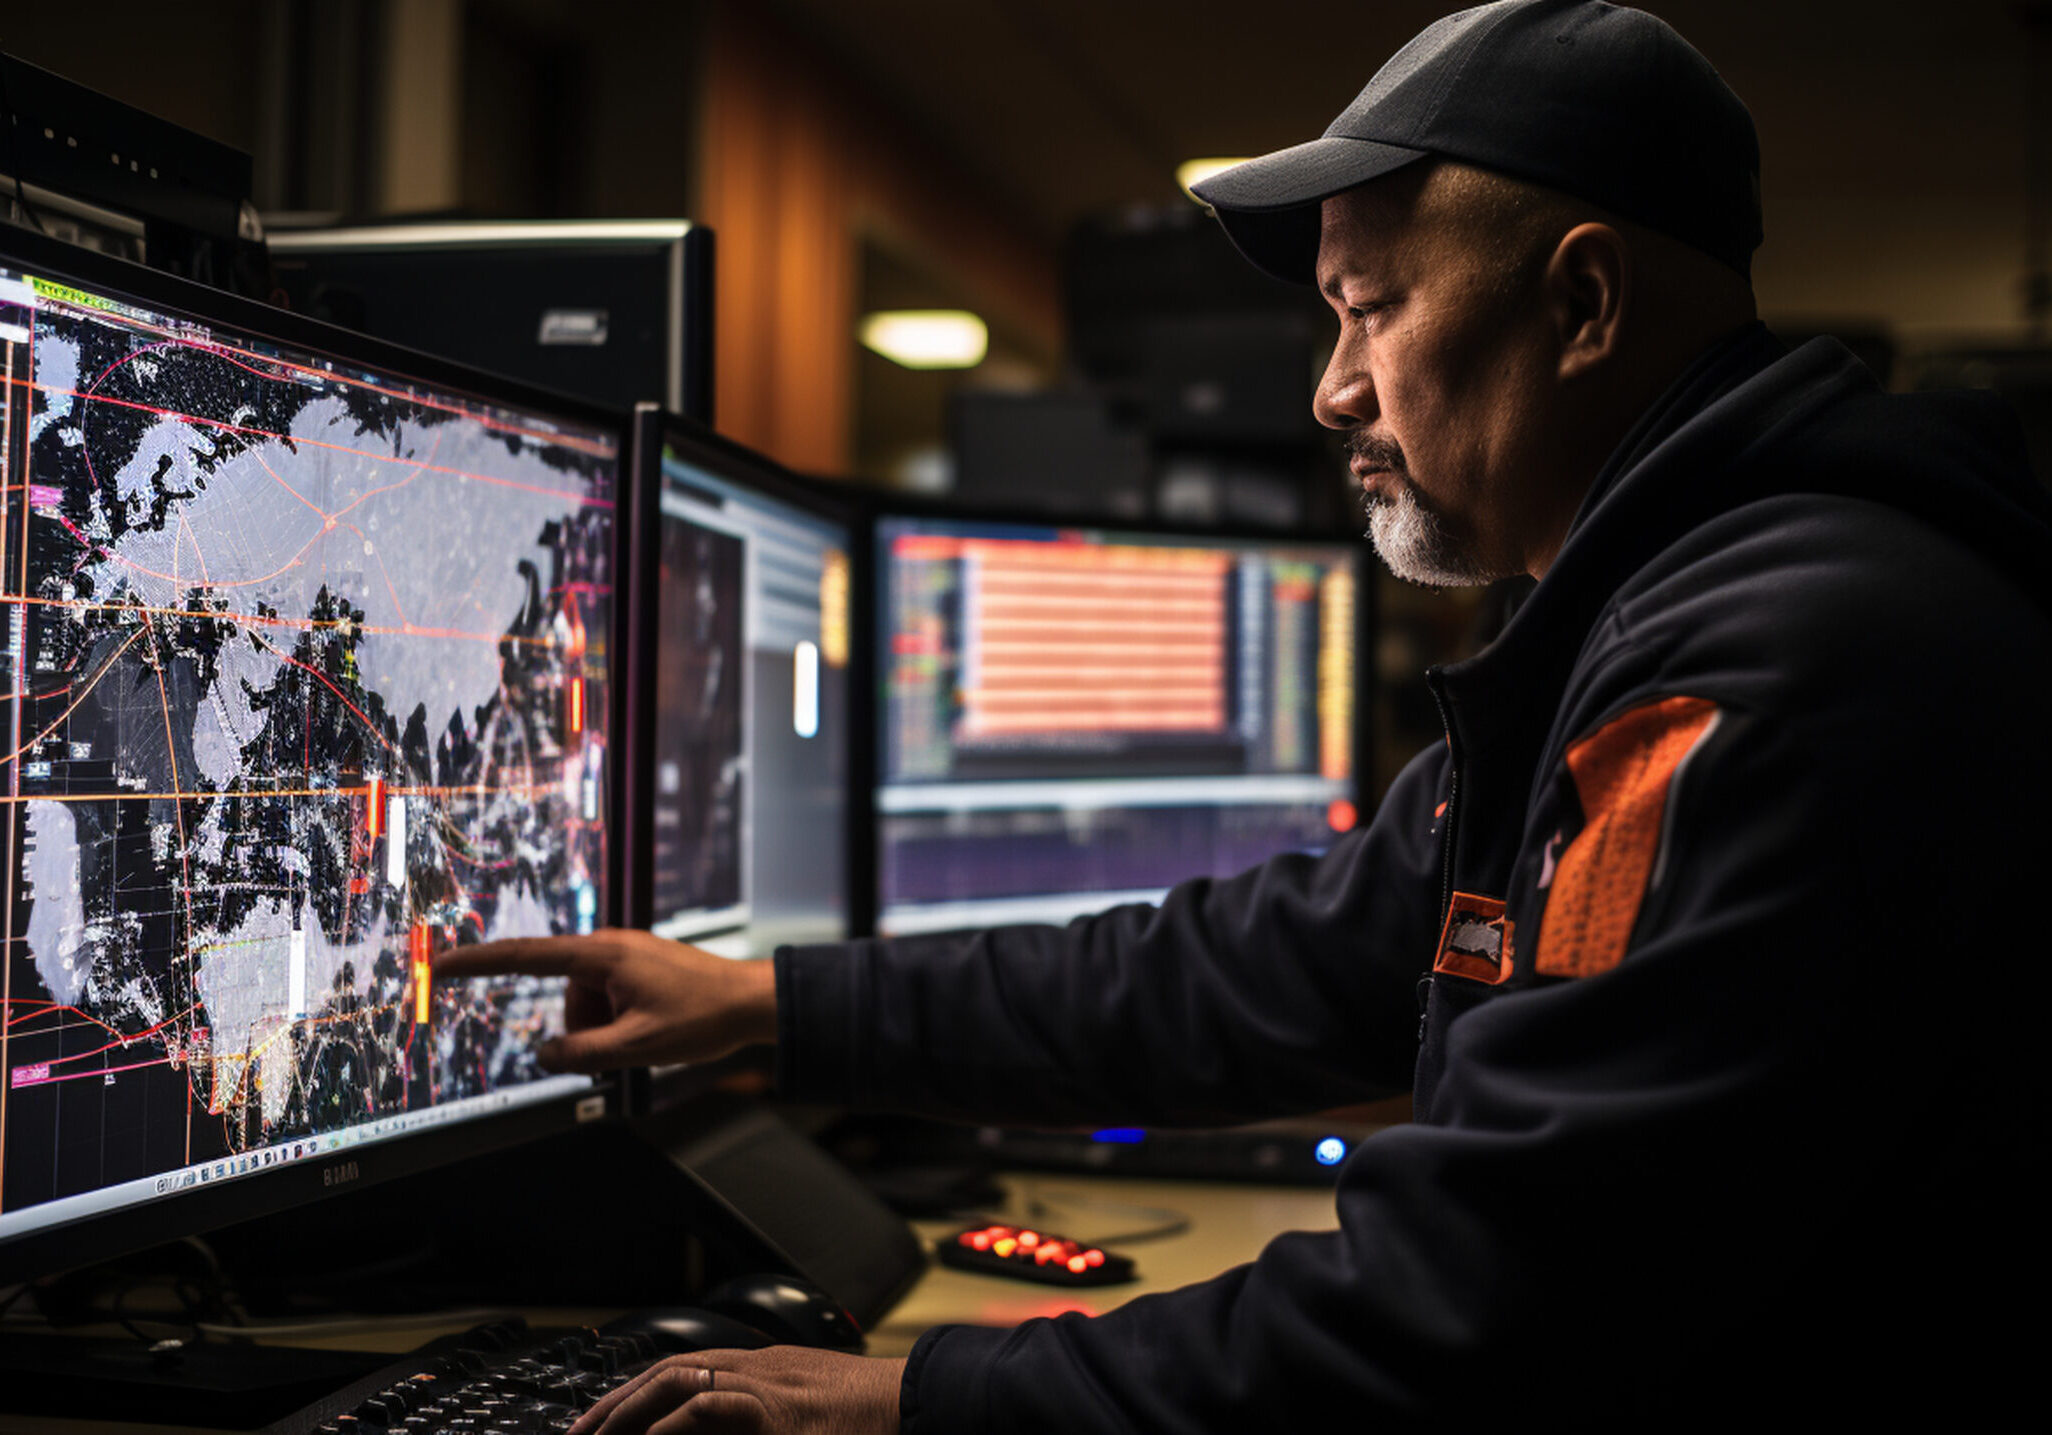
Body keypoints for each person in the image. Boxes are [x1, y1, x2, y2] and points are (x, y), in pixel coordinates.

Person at [441, 2, 2050, 1430]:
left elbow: (1482, 1313)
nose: (1330, 389)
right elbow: (1257, 970)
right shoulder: (1659, 620)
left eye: (1371, 307)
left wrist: (916, 1398)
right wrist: (768, 1007)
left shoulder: (1761, 671)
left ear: (1583, 308)